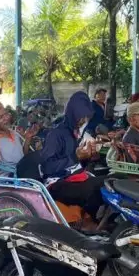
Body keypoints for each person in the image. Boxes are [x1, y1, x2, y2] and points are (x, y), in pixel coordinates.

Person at [40, 91, 104, 223]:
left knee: (108, 182)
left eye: (86, 118)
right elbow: (47, 167)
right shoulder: (56, 134)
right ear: (71, 113)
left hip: (72, 178)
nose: (83, 121)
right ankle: (91, 223)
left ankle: (98, 224)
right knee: (96, 187)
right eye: (80, 117)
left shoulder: (74, 132)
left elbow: (76, 163)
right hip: (55, 183)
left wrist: (88, 157)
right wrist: (75, 156)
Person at [0, 102, 37, 176]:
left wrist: (27, 139)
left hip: (24, 173)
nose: (7, 118)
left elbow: (22, 156)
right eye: (1, 117)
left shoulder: (14, 133)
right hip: (10, 180)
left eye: (6, 114)